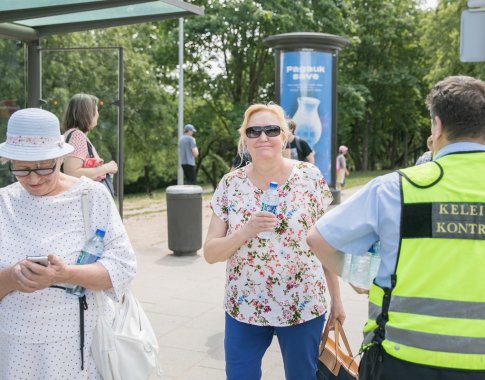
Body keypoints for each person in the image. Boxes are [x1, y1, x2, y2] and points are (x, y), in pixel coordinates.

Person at [306, 75, 485, 380]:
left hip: (401, 357)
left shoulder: (396, 188)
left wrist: (357, 277)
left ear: (437, 126)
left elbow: (318, 238)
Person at [203, 103, 345, 380]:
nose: (263, 137)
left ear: (285, 136)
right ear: (245, 138)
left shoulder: (310, 178)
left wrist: (337, 300)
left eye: (271, 130)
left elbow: (324, 243)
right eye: (254, 131)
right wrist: (244, 231)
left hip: (302, 306)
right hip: (245, 308)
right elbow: (210, 253)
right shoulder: (231, 185)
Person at [0, 108, 136, 379]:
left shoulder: (92, 196)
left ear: (61, 157)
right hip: (15, 349)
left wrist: (64, 274)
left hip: (78, 348)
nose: (34, 179)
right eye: (22, 169)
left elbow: (123, 268)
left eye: (44, 167)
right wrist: (13, 278)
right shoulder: (3, 203)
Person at [62, 93, 118, 197]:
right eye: (96, 110)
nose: (98, 114)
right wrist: (107, 168)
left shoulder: (69, 135)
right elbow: (72, 173)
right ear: (87, 114)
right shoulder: (77, 136)